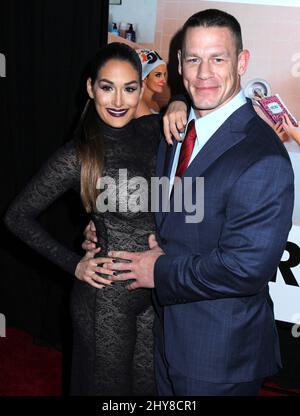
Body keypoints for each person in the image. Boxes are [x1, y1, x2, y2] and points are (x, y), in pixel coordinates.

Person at [98, 9, 294, 396]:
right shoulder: (179, 130)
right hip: (168, 334)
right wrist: (106, 227)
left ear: (241, 62)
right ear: (179, 65)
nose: (204, 72)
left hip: (219, 354)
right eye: (193, 59)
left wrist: (161, 273)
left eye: (217, 58)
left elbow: (245, 269)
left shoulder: (262, 157)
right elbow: (179, 211)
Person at [4, 42, 163, 396]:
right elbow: (17, 217)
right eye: (107, 87)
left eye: (130, 87)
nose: (119, 100)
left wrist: (180, 102)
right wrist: (75, 265)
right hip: (106, 299)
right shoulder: (78, 155)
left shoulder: (153, 131)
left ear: (142, 87)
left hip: (154, 293)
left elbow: (186, 107)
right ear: (91, 89)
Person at [135, 49, 167, 118]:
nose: (164, 80)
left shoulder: (155, 104)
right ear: (144, 77)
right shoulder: (137, 103)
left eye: (164, 74)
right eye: (158, 75)